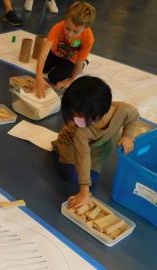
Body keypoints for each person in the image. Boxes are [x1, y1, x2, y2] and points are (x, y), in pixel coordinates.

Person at [52, 76, 140, 209]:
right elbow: (82, 157)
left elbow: (133, 118)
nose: (77, 119)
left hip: (97, 146)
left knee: (92, 179)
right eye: (74, 114)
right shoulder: (80, 130)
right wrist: (84, 192)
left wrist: (128, 136)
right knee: (71, 176)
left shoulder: (125, 111)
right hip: (71, 142)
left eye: (80, 115)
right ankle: (59, 149)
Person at [33, 1, 96, 98]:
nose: (70, 34)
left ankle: (85, 63)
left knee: (54, 77)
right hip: (55, 53)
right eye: (67, 28)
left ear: (85, 28)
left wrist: (70, 80)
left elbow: (78, 62)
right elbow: (44, 52)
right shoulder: (58, 27)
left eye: (75, 31)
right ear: (65, 20)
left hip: (70, 59)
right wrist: (38, 76)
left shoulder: (88, 38)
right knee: (42, 68)